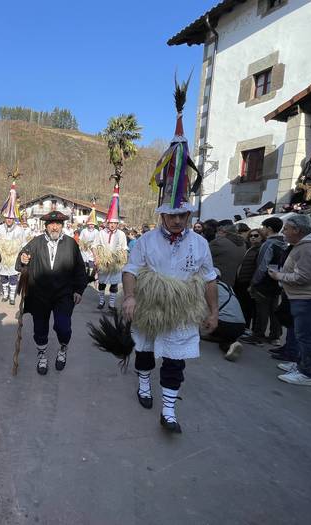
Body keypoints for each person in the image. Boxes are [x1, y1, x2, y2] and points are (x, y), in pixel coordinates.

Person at [122, 82, 217, 433]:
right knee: (145, 352)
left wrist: (213, 311)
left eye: (183, 215)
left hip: (182, 311)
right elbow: (131, 269)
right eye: (172, 215)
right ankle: (144, 382)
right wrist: (130, 296)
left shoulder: (200, 244)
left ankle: (170, 410)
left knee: (176, 362)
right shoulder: (145, 241)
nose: (178, 220)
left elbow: (209, 278)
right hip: (150, 305)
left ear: (189, 216)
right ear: (162, 215)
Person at [16, 211, 87, 374]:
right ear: (46, 226)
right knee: (40, 328)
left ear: (62, 226)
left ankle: (63, 348)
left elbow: (79, 269)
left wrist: (79, 289)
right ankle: (42, 354)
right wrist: (23, 259)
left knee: (63, 326)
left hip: (63, 293)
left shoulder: (71, 244)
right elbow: (22, 257)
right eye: (51, 224)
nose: (54, 227)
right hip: (39, 294)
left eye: (58, 224)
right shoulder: (36, 243)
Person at [268, 215, 311, 385]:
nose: (283, 232)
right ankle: (300, 364)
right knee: (302, 334)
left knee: (305, 336)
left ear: (297, 230)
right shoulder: (305, 245)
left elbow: (304, 277)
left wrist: (279, 276)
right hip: (308, 297)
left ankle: (305, 373)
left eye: (286, 228)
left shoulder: (308, 247)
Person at [242, 216, 286, 346]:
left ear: (269, 229)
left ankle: (258, 335)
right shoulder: (284, 243)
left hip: (265, 282)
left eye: (263, 227)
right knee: (273, 310)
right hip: (277, 281)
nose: (262, 230)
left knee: (262, 310)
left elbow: (262, 266)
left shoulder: (269, 244)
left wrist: (254, 283)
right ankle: (274, 335)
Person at [0, 183, 27, 305]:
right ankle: (5, 294)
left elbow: (24, 244)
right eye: (7, 218)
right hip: (2, 257)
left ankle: (12, 296)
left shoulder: (20, 230)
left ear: (14, 219)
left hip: (14, 257)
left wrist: (25, 256)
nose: (9, 220)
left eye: (11, 218)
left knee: (13, 277)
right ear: (4, 218)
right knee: (3, 277)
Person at [94, 185, 127, 310]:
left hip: (115, 262)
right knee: (102, 283)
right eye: (111, 223)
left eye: (114, 223)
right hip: (103, 261)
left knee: (114, 284)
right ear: (107, 223)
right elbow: (94, 246)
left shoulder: (122, 234)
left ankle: (111, 304)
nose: (112, 225)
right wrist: (97, 258)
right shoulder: (101, 233)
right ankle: (101, 301)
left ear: (117, 224)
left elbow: (124, 249)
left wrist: (120, 260)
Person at [203, 269, 246, 361]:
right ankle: (232, 344)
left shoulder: (209, 289)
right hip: (241, 326)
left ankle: (219, 339)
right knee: (226, 337)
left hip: (225, 324)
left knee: (206, 332)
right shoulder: (228, 287)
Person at [234, 228, 264, 332]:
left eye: (256, 236)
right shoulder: (250, 248)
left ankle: (249, 329)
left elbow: (258, 267)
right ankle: (245, 328)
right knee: (244, 306)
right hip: (242, 281)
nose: (253, 238)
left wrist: (253, 283)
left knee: (250, 308)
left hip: (250, 282)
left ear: (261, 237)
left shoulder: (260, 249)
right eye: (251, 236)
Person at [209, 222, 245, 288]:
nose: (216, 233)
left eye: (218, 231)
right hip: (232, 280)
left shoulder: (218, 242)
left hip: (216, 280)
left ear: (223, 232)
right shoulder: (243, 243)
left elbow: (202, 256)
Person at [78, 209, 99, 282]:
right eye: (90, 224)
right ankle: (84, 275)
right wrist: (82, 246)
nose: (91, 225)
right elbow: (80, 239)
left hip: (92, 249)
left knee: (91, 263)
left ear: (94, 225)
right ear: (88, 224)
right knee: (84, 263)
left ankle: (91, 276)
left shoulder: (96, 232)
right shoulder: (84, 230)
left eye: (92, 224)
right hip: (84, 249)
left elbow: (97, 241)